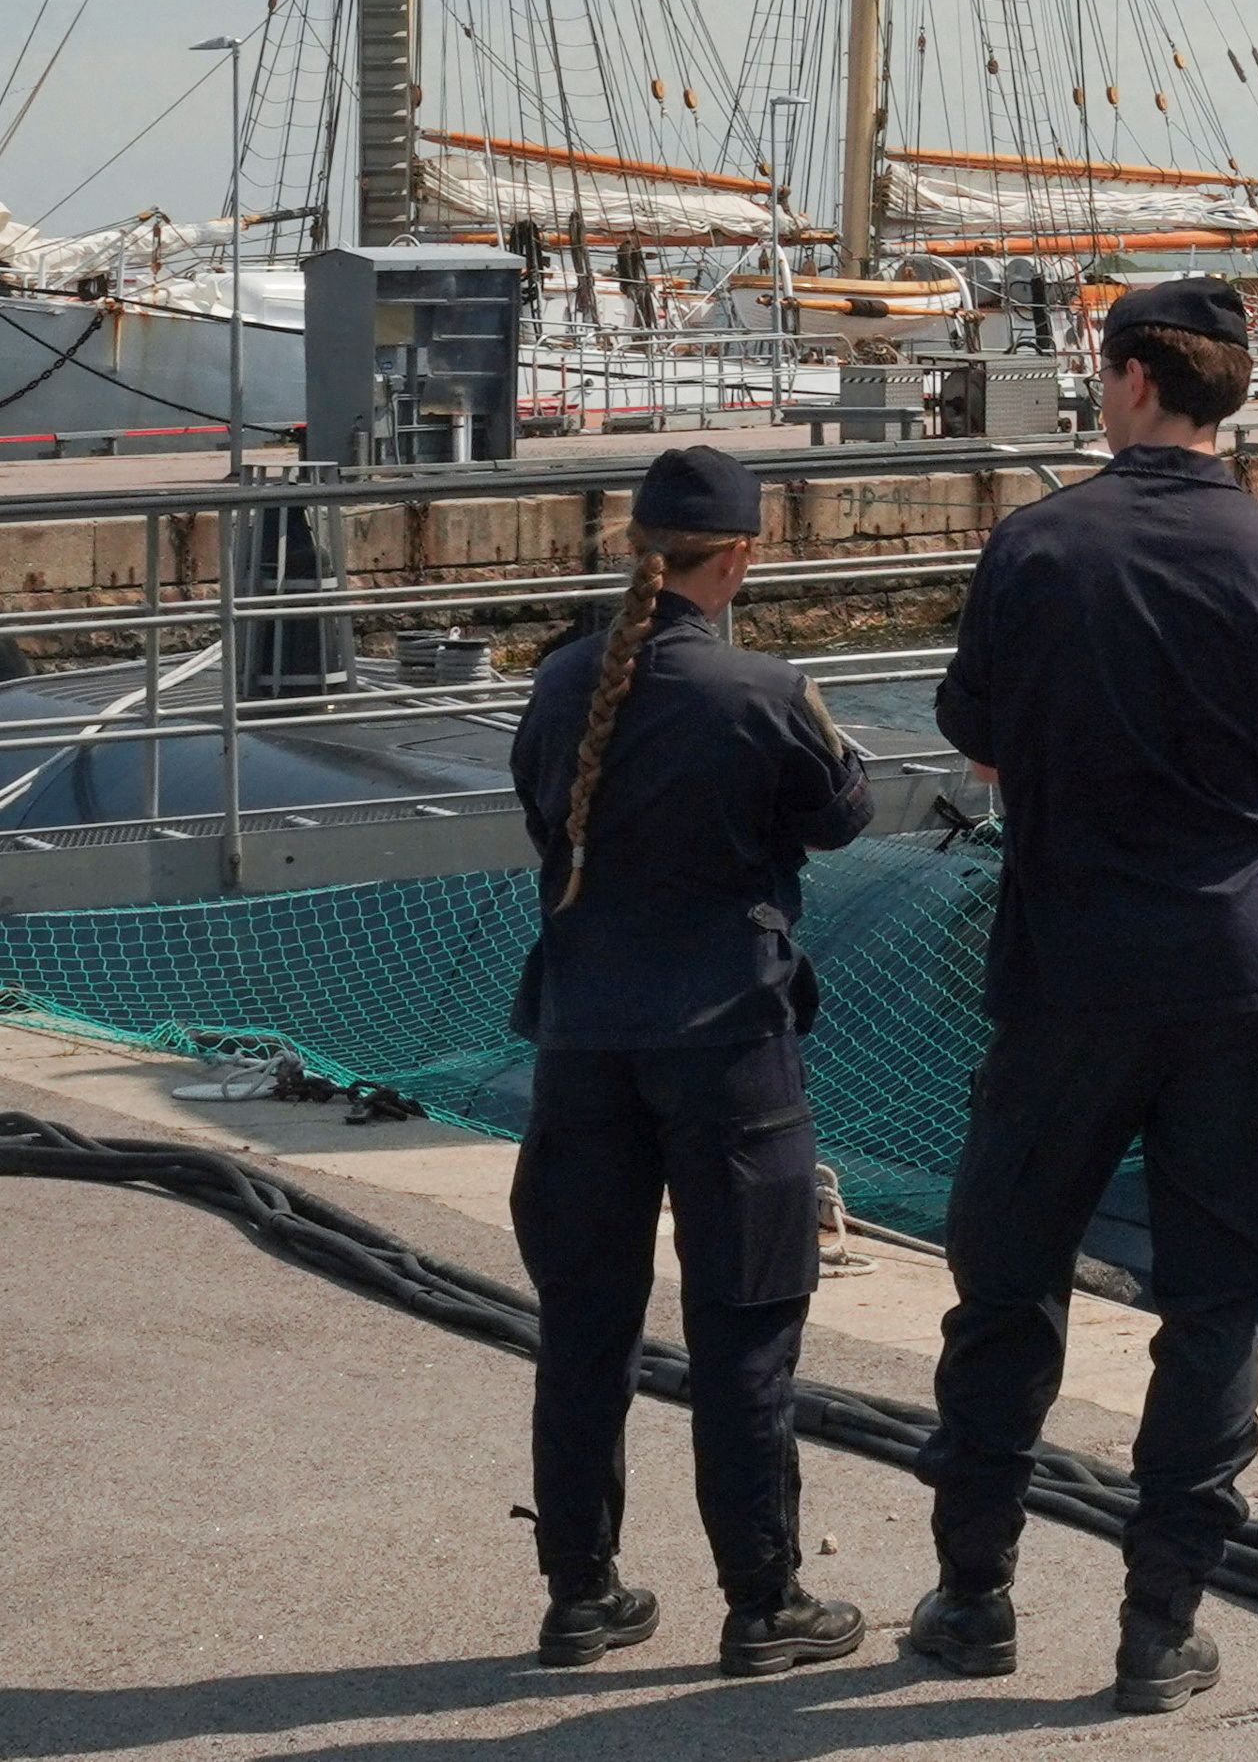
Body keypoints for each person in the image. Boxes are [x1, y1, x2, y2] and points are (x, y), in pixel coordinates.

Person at [909, 275, 1258, 1716]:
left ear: (1142, 377)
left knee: (1009, 1280)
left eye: (1104, 369)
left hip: (1072, 964)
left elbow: (976, 729)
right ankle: (1161, 1624)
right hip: (1232, 965)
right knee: (1214, 1298)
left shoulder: (1039, 543)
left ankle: (973, 1597)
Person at [505, 442, 876, 1676]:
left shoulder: (560, 683)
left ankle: (579, 1592)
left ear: (636, 549)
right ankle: (762, 1600)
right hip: (725, 1047)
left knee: (584, 1327)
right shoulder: (763, 690)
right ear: (739, 558)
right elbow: (840, 811)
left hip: (583, 1041)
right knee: (745, 1327)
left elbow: (539, 815)